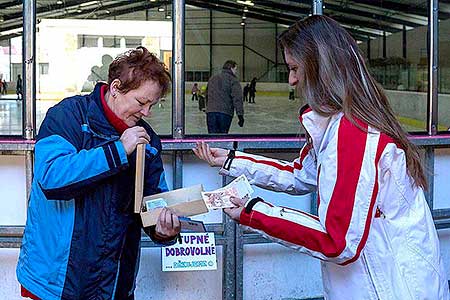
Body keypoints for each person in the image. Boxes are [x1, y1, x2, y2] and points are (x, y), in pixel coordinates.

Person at [193, 15, 449, 300]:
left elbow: (337, 241)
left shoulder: (354, 133)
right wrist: (231, 160)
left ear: (319, 66)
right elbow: (300, 174)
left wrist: (254, 213)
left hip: (389, 288)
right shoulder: (337, 124)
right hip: (373, 283)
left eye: (294, 68)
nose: (291, 80)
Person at [16, 46, 181, 300]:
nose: (146, 112)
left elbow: (151, 203)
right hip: (55, 282)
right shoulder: (67, 116)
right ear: (115, 88)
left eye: (153, 105)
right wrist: (118, 151)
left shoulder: (147, 142)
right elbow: (50, 177)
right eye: (141, 102)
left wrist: (162, 229)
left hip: (113, 284)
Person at [206, 60, 244, 133]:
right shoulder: (233, 80)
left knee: (212, 137)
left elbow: (207, 95)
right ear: (231, 68)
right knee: (222, 137)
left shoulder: (213, 78)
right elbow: (237, 98)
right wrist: (240, 115)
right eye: (235, 69)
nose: (235, 72)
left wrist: (208, 108)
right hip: (225, 113)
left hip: (211, 112)